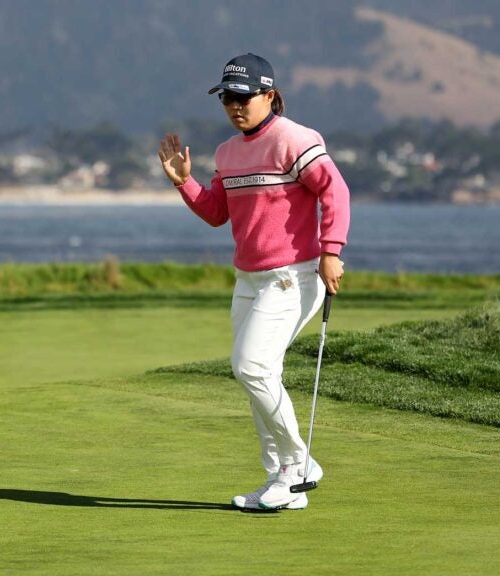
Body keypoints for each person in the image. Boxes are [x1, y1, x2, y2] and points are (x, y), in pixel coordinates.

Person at [157, 53, 350, 511]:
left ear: (269, 95)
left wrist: (331, 251)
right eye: (227, 97)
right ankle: (281, 482)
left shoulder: (295, 139)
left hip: (293, 277)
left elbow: (334, 191)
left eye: (244, 96)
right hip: (248, 281)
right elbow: (217, 213)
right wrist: (185, 184)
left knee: (252, 367)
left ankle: (297, 464)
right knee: (258, 378)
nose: (234, 105)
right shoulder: (227, 152)